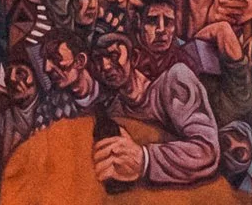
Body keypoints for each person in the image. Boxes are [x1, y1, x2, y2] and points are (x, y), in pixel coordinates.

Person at [91, 30, 222, 186]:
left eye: (113, 56)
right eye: (98, 60)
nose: (105, 66)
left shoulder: (174, 82)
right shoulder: (114, 111)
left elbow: (206, 150)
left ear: (134, 58)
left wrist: (145, 159)